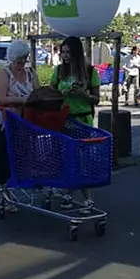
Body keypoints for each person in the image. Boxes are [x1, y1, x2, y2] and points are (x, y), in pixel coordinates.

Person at [51, 36, 100, 206]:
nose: (64, 56)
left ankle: (88, 199)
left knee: (82, 161)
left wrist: (83, 95)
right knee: (66, 159)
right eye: (63, 52)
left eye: (68, 53)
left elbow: (96, 99)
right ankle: (69, 194)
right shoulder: (58, 71)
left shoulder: (90, 72)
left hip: (83, 120)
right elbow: (50, 94)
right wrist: (60, 95)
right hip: (64, 120)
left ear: (77, 54)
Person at [0, 40, 38, 198]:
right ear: (12, 58)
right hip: (2, 120)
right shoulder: (4, 73)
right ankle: (4, 192)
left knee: (18, 156)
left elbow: (37, 94)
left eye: (25, 58)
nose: (22, 62)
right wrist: (24, 100)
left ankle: (10, 188)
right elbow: (2, 99)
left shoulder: (30, 73)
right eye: (19, 59)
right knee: (3, 156)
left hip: (21, 121)